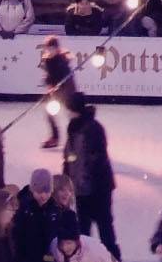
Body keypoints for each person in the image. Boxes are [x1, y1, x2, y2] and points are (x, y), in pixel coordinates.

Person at [64, 104, 120, 259]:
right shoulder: (72, 127)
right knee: (83, 233)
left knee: (106, 233)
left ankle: (113, 258)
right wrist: (68, 181)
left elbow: (98, 158)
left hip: (99, 190)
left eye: (71, 110)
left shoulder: (94, 128)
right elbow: (68, 156)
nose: (68, 113)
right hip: (81, 191)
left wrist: (85, 176)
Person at [41, 36, 80, 149]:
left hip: (67, 89)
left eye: (52, 48)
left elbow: (65, 76)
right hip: (55, 91)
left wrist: (59, 85)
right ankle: (55, 137)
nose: (49, 51)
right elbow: (49, 76)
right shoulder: (47, 60)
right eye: (48, 48)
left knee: (72, 115)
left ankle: (76, 137)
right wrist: (50, 86)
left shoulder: (62, 60)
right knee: (49, 113)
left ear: (57, 48)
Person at [13, 169, 56, 262]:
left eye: (47, 192)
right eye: (39, 192)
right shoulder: (23, 206)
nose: (43, 196)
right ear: (32, 189)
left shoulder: (54, 208)